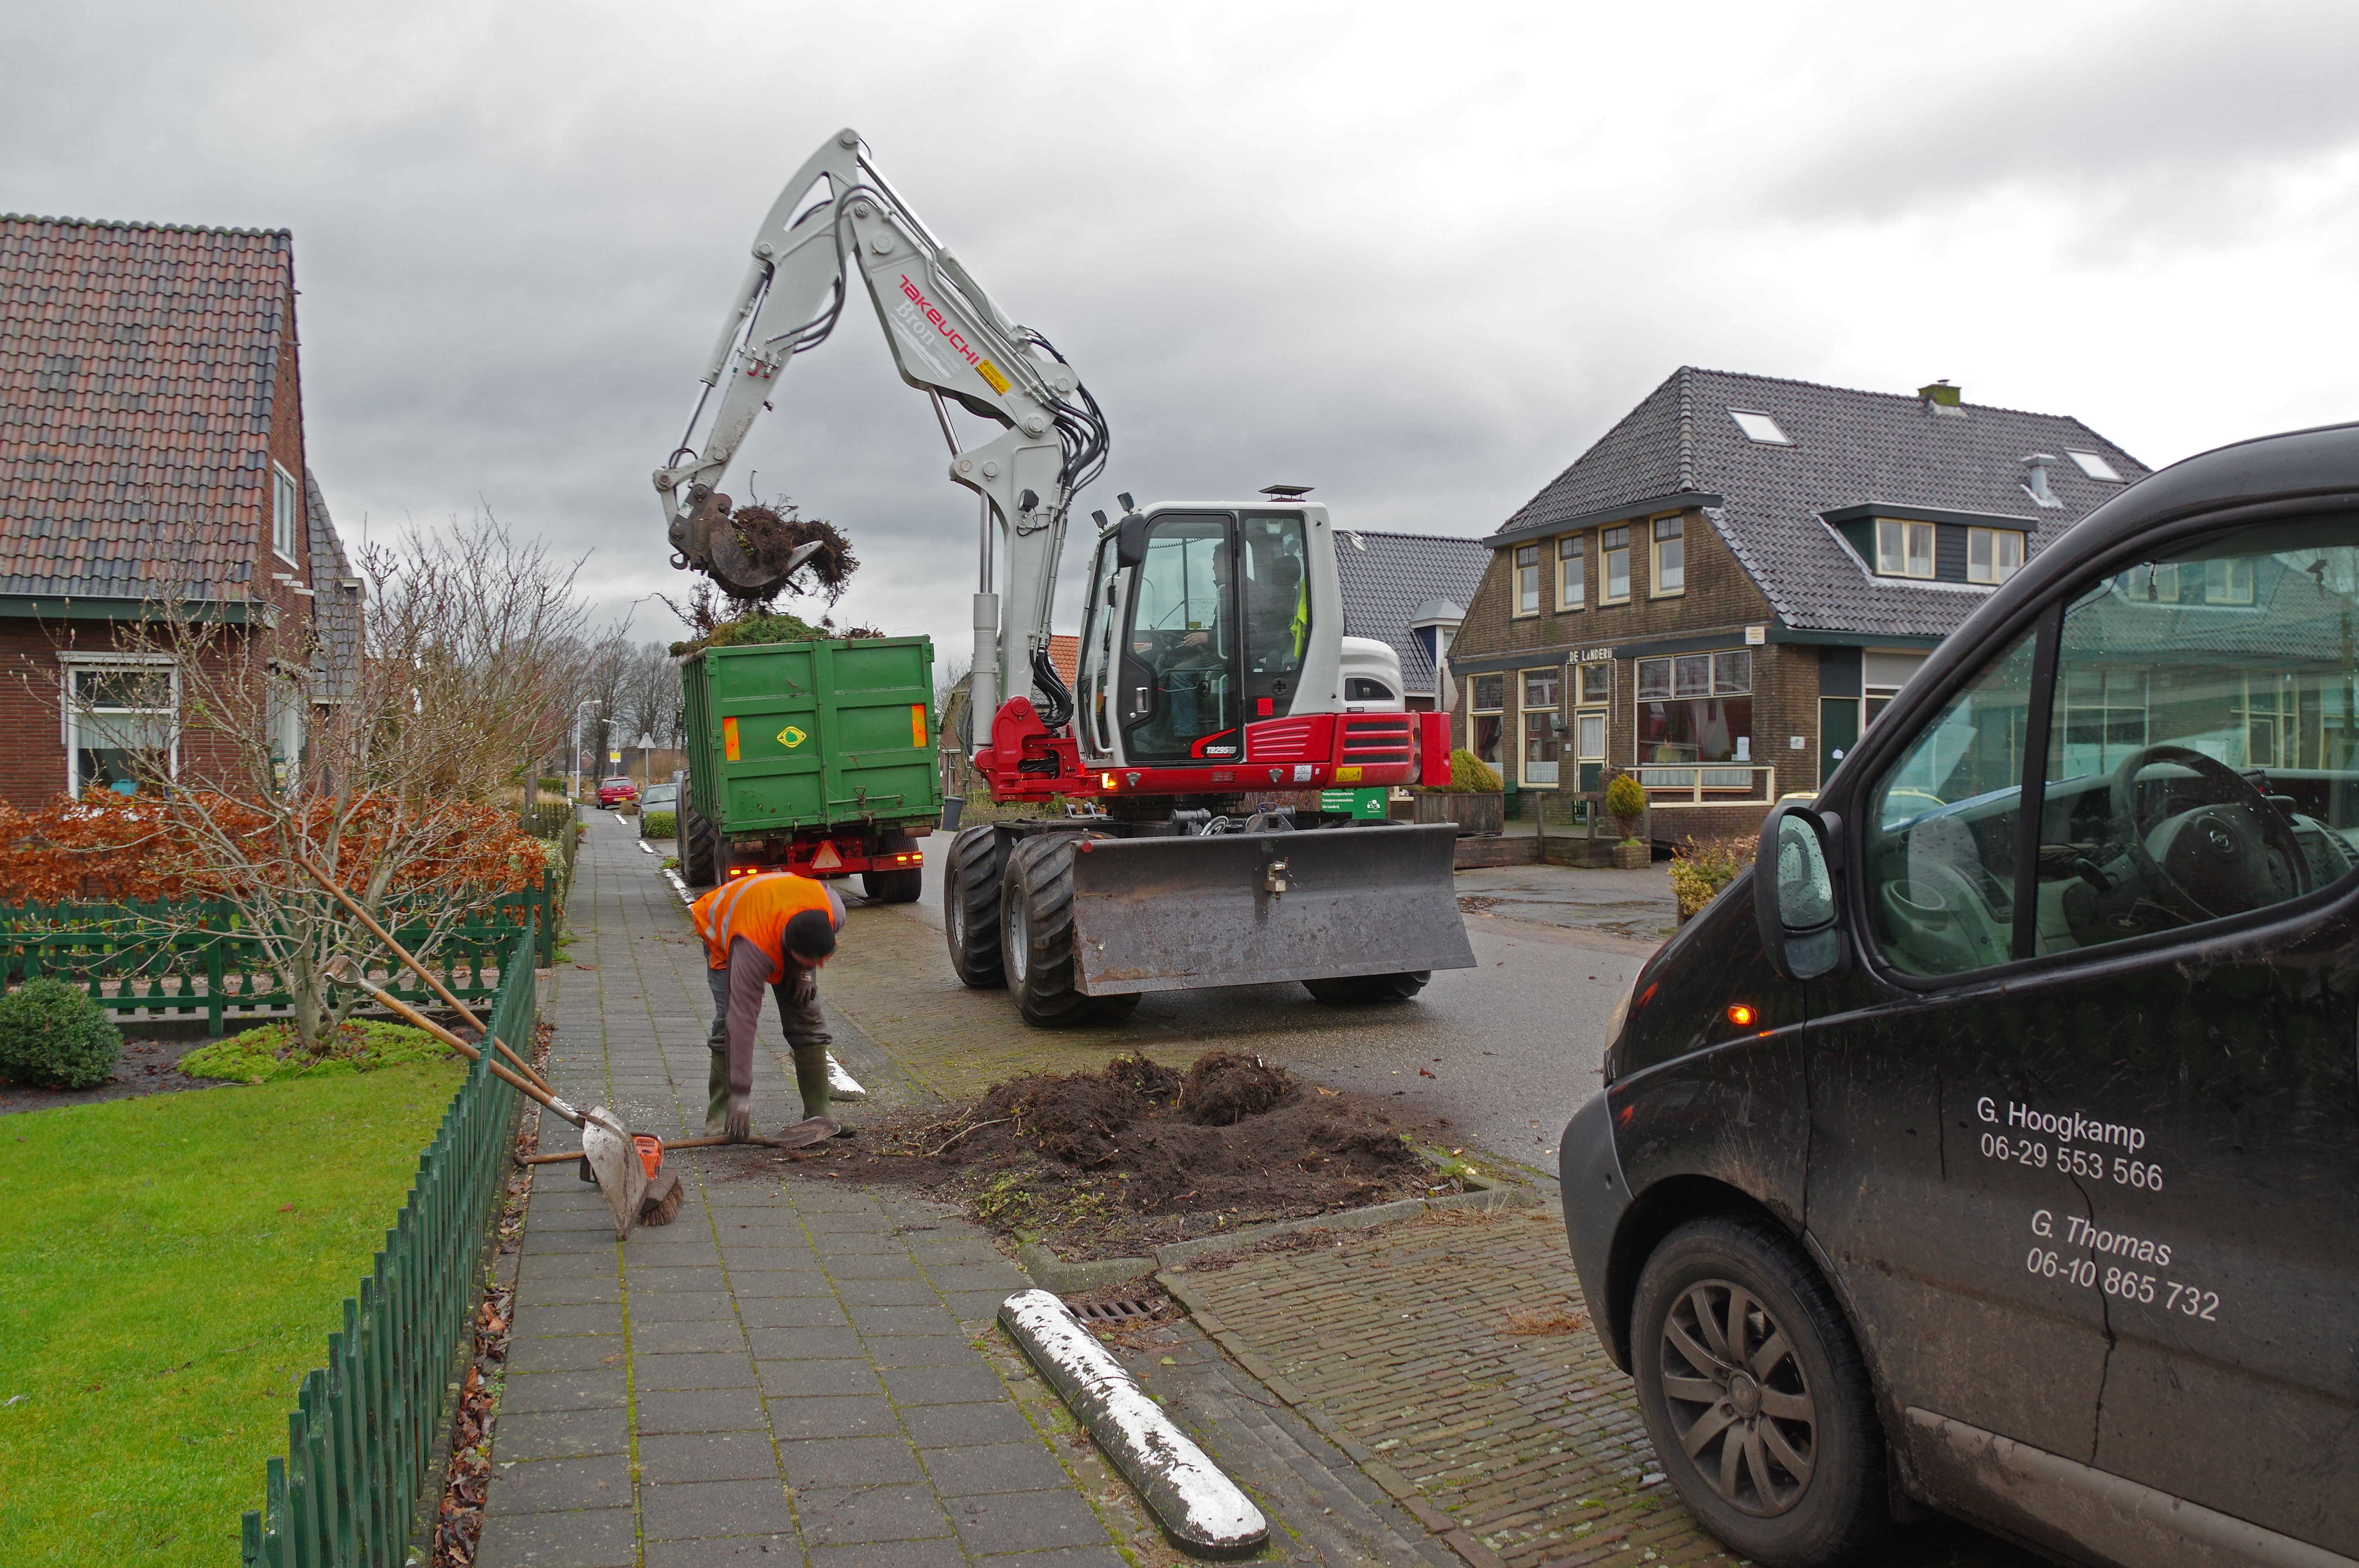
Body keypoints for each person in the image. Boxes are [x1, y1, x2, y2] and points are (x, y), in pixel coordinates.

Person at [688, 871, 847, 1139]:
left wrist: (806, 973)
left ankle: (820, 1112)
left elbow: (814, 948)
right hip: (729, 931)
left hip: (776, 910)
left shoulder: (834, 911)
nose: (821, 965)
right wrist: (741, 1093)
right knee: (727, 1023)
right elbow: (742, 1019)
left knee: (807, 1015)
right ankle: (720, 1114)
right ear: (789, 947)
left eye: (824, 959)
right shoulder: (752, 948)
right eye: (811, 960)